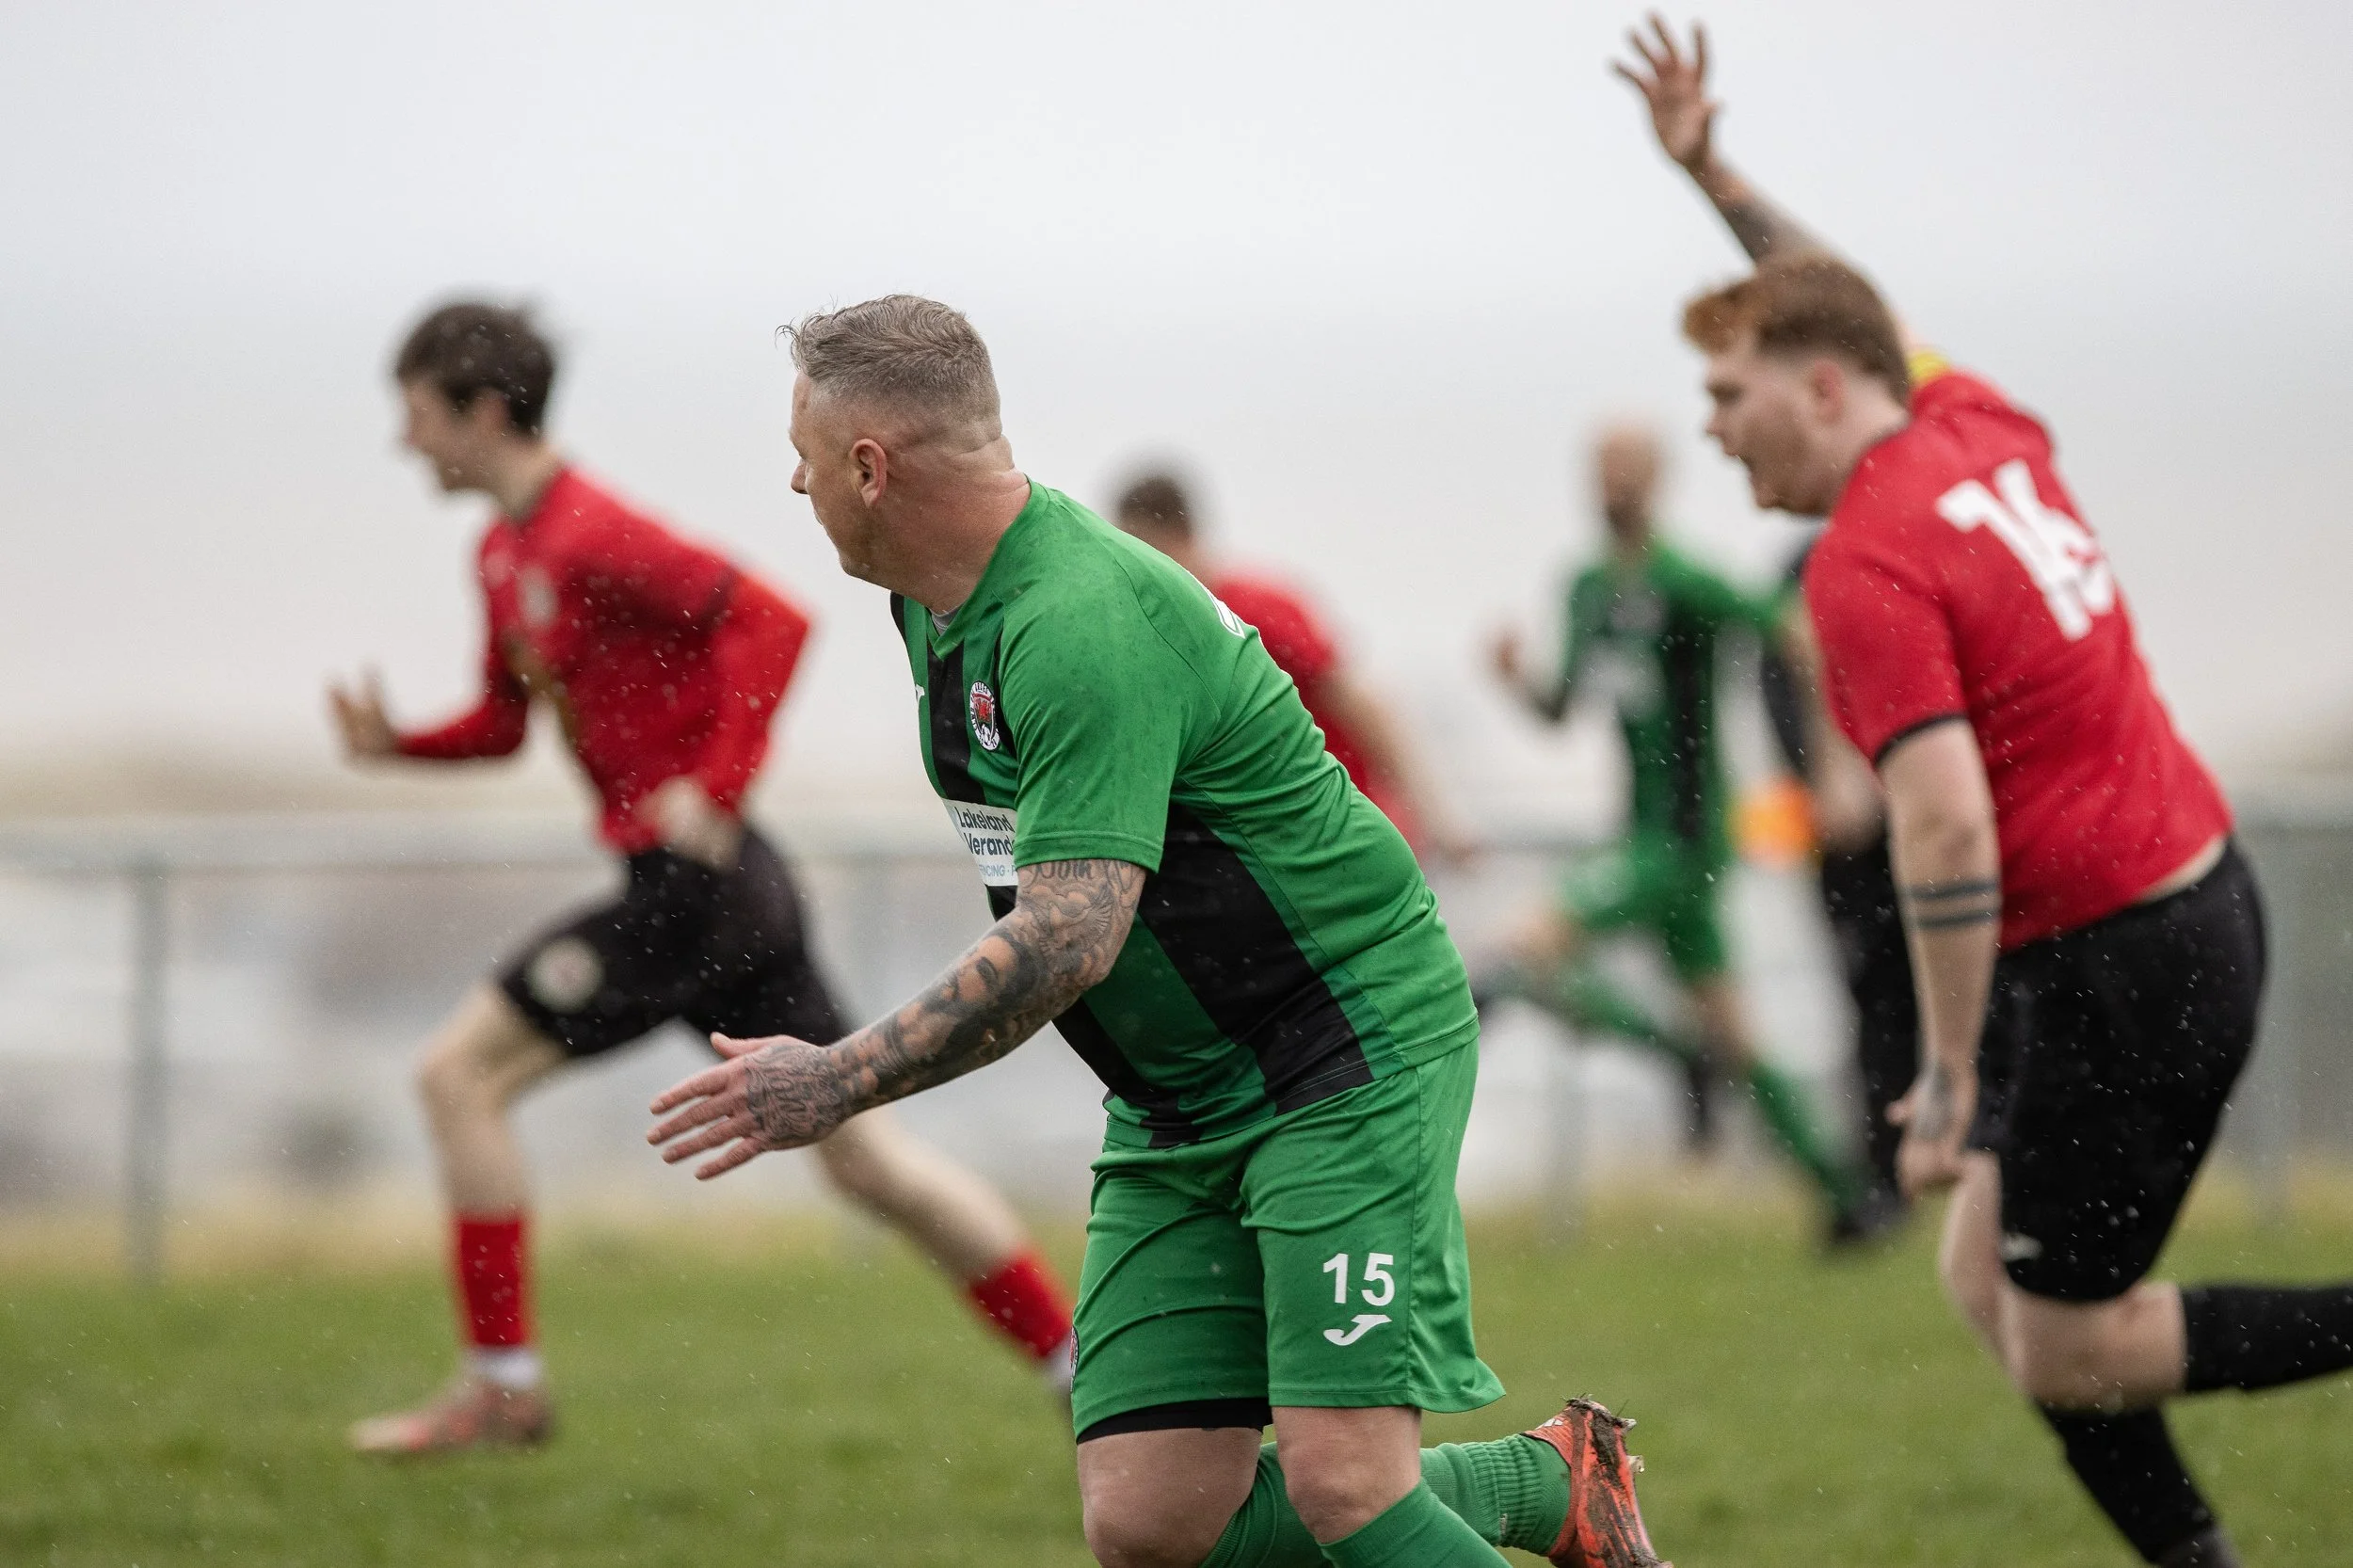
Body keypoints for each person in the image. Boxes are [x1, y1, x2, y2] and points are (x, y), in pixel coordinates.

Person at [647, 296, 1668, 1568]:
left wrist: (838, 1076)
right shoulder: (933, 602)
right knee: (1152, 1521)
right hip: (1183, 1097)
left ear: (871, 466)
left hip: (1337, 1058)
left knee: (1353, 1486)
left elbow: (1070, 935)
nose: (791, 478)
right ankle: (1542, 1482)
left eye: (806, 452)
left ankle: (1529, 1488)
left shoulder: (1076, 618)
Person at [1623, 20, 2353, 1565]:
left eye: (1729, 391)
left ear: (1818, 396)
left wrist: (1949, 1072)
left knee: (2069, 1347)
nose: (1710, 424)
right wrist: (1715, 177)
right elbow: (1857, 311)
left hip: (2129, 968)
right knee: (1986, 1285)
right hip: (2161, 913)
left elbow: (1940, 824)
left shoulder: (1866, 562)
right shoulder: (1969, 417)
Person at [328, 301, 1076, 1455]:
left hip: (693, 890)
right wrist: (399, 747)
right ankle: (1076, 1367)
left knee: (455, 1080)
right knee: (866, 1161)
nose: (406, 442)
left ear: (482, 411)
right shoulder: (505, 551)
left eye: (418, 415)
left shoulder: (590, 530)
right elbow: (502, 722)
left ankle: (505, 1389)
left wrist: (716, 790)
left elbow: (769, 622)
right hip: (718, 897)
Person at [1482, 424, 1872, 1240]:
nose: (1610, 483)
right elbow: (1563, 709)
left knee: (1524, 946)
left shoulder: (1687, 580)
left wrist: (1830, 767)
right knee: (1732, 1028)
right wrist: (1518, 683)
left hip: (1685, 840)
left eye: (1625, 468)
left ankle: (1674, 1054)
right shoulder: (1588, 586)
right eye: (1599, 467)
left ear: (1657, 481)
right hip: (1639, 832)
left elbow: (1794, 628)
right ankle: (1846, 1194)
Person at [1112, 472, 1467, 859]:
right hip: (1275, 842)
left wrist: (1436, 816)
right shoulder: (1164, 623)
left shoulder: (1253, 608)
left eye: (1145, 546)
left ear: (1183, 534)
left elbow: (1358, 703)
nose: (1137, 566)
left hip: (1340, 828)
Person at [1756, 535, 1919, 1225]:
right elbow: (1777, 678)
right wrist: (1818, 779)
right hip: (1849, 843)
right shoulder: (1801, 569)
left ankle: (1960, 1162)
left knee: (1950, 994)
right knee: (1874, 998)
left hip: (1925, 824)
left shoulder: (1912, 543)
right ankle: (1886, 1176)